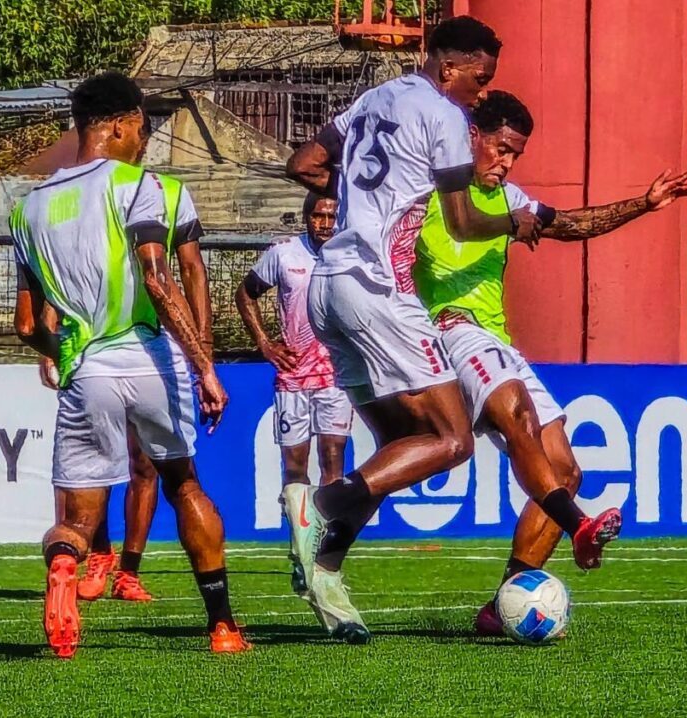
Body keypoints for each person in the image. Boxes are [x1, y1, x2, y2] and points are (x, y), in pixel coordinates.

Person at [284, 15, 548, 642]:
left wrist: (355, 203)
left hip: (329, 287)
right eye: (478, 79)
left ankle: (325, 577)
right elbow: (460, 223)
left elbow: (305, 161)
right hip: (380, 290)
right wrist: (516, 224)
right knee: (454, 440)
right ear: (449, 65)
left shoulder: (375, 98)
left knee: (401, 445)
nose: (480, 93)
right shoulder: (447, 119)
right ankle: (320, 505)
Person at [411, 90, 687, 635]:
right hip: (452, 331)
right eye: (500, 149)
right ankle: (579, 526)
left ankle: (501, 609)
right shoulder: (428, 191)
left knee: (566, 471)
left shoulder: (513, 198)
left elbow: (569, 224)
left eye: (515, 155)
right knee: (517, 415)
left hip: (499, 342)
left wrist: (644, 203)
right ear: (471, 136)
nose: (506, 163)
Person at [10, 71, 249, 658]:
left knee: (78, 516)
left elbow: (25, 326)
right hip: (150, 357)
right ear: (118, 125)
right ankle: (222, 626)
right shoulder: (142, 186)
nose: (143, 139)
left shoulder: (28, 210)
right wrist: (205, 366)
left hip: (86, 366)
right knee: (183, 482)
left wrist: (59, 352)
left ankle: (66, 564)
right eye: (141, 126)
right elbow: (158, 279)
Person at [235, 192, 352, 593]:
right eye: (317, 215)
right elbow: (244, 292)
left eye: (330, 216)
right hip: (293, 376)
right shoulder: (284, 254)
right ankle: (299, 551)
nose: (324, 223)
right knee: (296, 468)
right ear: (305, 218)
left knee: (334, 460)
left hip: (337, 376)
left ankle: (327, 559)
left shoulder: (350, 253)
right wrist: (265, 343)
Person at [39, 353, 158, 603]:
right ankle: (101, 553)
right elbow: (50, 313)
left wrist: (201, 355)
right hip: (92, 362)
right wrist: (47, 350)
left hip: (145, 361)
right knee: (93, 468)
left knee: (143, 464)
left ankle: (129, 573)